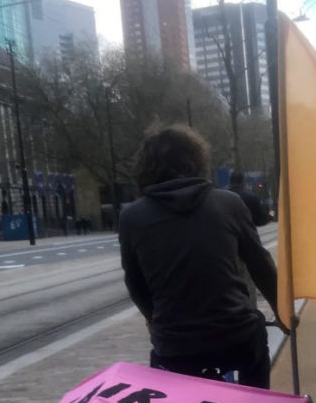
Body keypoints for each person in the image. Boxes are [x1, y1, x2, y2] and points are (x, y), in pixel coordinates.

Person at [119, 125, 282, 389]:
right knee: (254, 357)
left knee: (174, 402)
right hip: (236, 337)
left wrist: (155, 321)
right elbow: (261, 266)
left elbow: (136, 285)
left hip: (174, 346)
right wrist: (281, 311)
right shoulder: (229, 204)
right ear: (197, 161)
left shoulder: (132, 217)